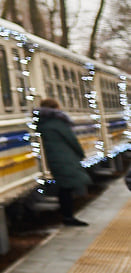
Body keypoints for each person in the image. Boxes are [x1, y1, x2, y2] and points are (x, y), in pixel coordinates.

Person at [33, 96, 90, 226]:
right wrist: (81, 153)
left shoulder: (43, 122)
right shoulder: (58, 122)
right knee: (67, 188)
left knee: (65, 188)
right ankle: (68, 217)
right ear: (56, 108)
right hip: (65, 158)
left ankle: (68, 216)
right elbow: (72, 140)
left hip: (56, 159)